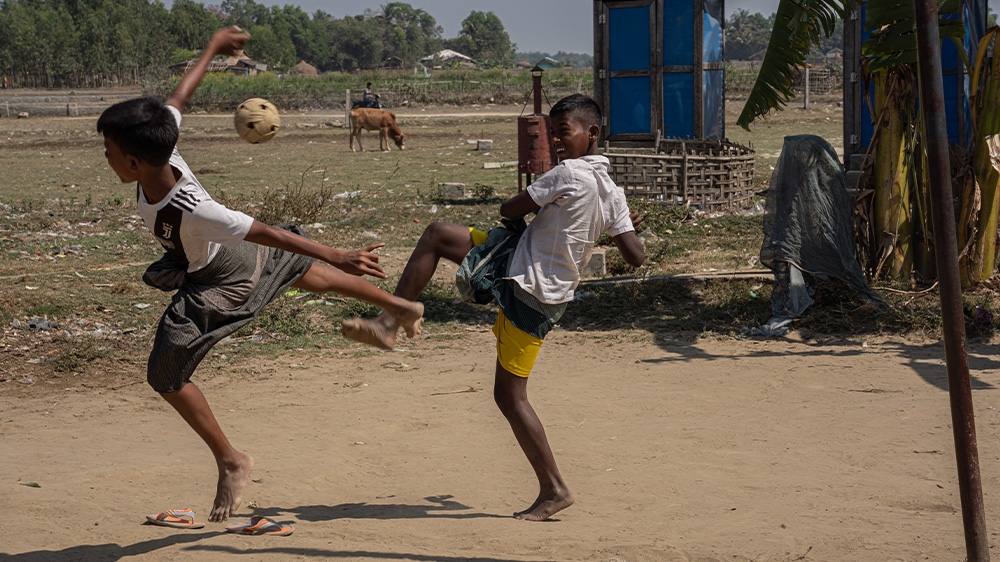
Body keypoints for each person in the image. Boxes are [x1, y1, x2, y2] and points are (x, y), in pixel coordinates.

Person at [96, 26, 425, 523]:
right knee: (291, 272)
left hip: (219, 281)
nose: (105, 157)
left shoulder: (195, 209)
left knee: (165, 374)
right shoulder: (166, 142)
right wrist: (213, 47)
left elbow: (270, 234)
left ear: (136, 161)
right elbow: (179, 96)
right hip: (216, 259)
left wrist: (339, 254)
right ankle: (397, 305)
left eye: (108, 152)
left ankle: (231, 460)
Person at [341, 93, 646, 521]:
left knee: (510, 396)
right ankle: (390, 319)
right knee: (437, 235)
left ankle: (555, 489)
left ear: (591, 133)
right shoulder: (610, 190)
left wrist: (541, 207)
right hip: (525, 268)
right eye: (553, 133)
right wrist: (611, 219)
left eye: (565, 132)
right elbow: (635, 256)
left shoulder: (567, 174)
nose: (557, 141)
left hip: (529, 292)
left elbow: (509, 208)